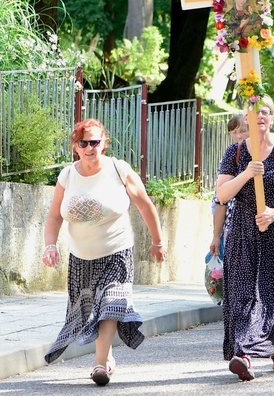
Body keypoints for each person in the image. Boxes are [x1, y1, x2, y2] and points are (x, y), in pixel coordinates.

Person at [42, 118, 166, 386]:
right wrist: (50, 245)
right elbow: (54, 217)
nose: (89, 148)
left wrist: (157, 242)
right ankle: (106, 356)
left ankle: (99, 365)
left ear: (104, 143)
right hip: (81, 259)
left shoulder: (118, 169)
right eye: (83, 143)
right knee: (91, 312)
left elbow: (145, 205)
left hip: (117, 252)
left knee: (111, 304)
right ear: (76, 146)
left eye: (95, 142)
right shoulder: (67, 175)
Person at [213, 96, 274, 380]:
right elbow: (222, 195)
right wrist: (246, 174)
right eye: (255, 113)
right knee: (242, 292)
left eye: (265, 113)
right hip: (244, 230)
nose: (260, 117)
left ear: (272, 117)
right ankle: (243, 354)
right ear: (246, 118)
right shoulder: (236, 152)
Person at [210, 114, 249, 263]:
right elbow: (219, 200)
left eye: (243, 131)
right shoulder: (229, 158)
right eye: (234, 132)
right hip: (232, 228)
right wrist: (216, 235)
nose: (239, 136)